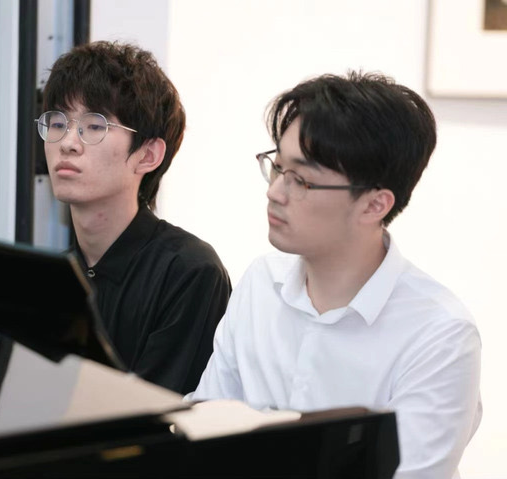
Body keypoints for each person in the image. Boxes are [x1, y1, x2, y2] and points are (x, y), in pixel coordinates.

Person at [189, 72, 482, 478]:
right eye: (277, 167)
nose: (275, 192)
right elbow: (204, 427)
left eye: (301, 180)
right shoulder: (261, 283)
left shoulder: (439, 335)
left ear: (374, 205)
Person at [38, 41, 231, 394]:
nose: (67, 143)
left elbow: (153, 414)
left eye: (94, 126)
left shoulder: (189, 272)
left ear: (148, 155)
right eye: (57, 122)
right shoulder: (49, 276)